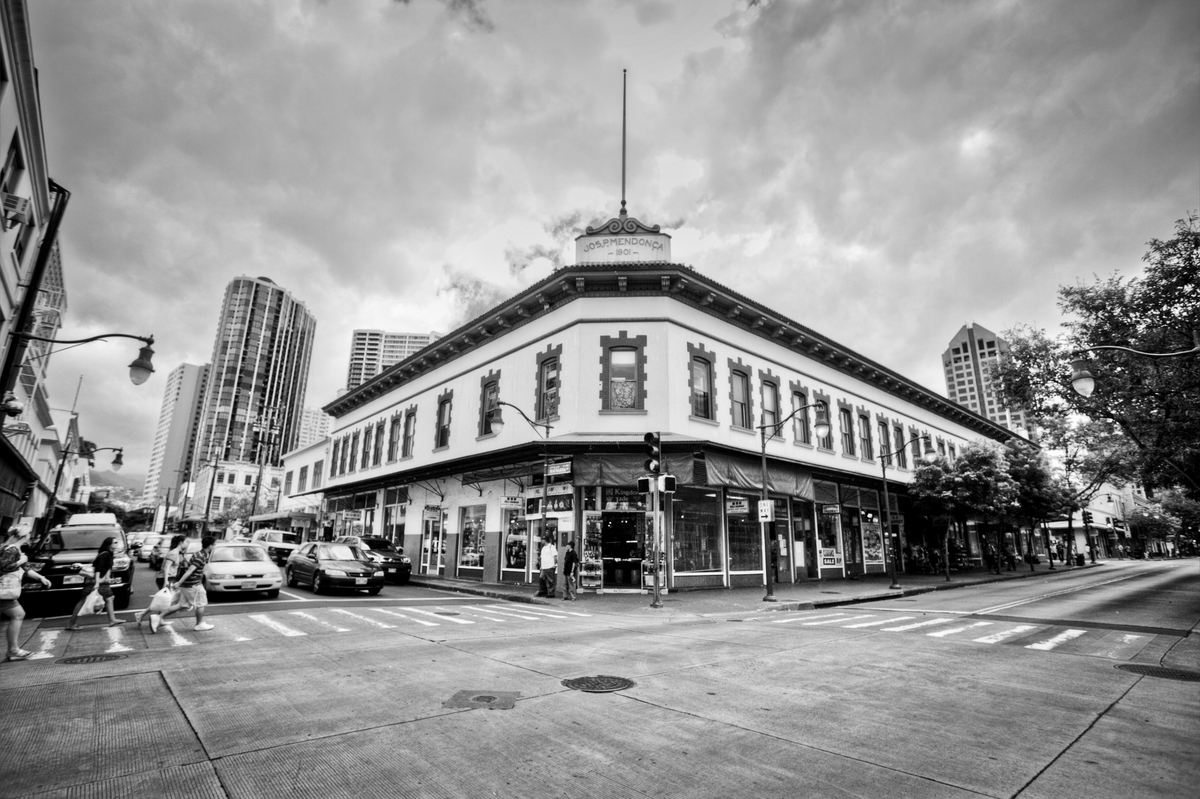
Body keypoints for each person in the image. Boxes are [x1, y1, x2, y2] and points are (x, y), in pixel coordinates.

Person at [1, 524, 52, 661]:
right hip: (4, 590)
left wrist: (41, 578)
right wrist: (20, 561)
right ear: (24, 536)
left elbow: (26, 569)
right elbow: (3, 567)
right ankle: (13, 650)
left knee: (18, 614)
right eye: (29, 534)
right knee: (18, 614)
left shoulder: (15, 549)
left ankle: (13, 649)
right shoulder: (10, 550)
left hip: (5, 591)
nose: (31, 537)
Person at [65, 536, 127, 629]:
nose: (116, 544)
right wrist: (97, 582)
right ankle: (71, 624)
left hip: (100, 581)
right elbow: (98, 569)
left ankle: (112, 620)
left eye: (116, 542)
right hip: (97, 581)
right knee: (84, 601)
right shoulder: (104, 555)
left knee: (109, 598)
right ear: (109, 544)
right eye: (115, 542)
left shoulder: (108, 554)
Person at [158, 536, 215, 632]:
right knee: (201, 603)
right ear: (210, 546)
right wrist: (179, 582)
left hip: (189, 584)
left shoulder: (201, 553)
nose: (214, 546)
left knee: (182, 605)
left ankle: (158, 617)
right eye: (214, 544)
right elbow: (189, 571)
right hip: (193, 584)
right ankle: (199, 624)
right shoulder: (201, 556)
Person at [136, 533, 186, 629]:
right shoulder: (173, 553)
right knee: (165, 600)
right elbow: (166, 567)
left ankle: (158, 618)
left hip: (168, 578)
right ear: (181, 543)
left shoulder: (176, 553)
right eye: (185, 542)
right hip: (165, 578)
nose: (186, 544)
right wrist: (165, 581)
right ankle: (142, 614)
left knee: (165, 600)